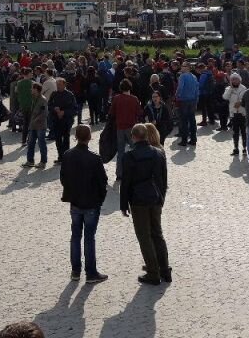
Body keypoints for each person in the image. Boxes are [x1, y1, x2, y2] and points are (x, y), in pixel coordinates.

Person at [119, 124, 170, 285]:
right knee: (157, 234)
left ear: (133, 137)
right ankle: (165, 270)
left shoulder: (129, 156)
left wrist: (123, 204)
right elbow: (163, 178)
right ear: (146, 136)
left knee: (144, 236)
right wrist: (162, 197)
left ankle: (153, 273)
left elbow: (125, 182)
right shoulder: (158, 153)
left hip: (138, 201)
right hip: (155, 198)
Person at [59, 124, 109, 284]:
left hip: (75, 202)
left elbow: (63, 178)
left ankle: (75, 271)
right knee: (89, 238)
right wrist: (100, 199)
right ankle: (91, 272)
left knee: (75, 236)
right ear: (89, 137)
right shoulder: (94, 158)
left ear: (76, 137)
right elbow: (103, 182)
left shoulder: (67, 155)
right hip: (91, 203)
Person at [108, 79, 142, 178]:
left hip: (120, 128)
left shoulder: (116, 98)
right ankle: (137, 171)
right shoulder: (134, 99)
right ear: (130, 87)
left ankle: (119, 173)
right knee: (136, 149)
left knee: (120, 152)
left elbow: (111, 113)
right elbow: (139, 113)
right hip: (132, 128)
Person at [48, 78, 77, 164]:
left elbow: (74, 109)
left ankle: (66, 157)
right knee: (58, 139)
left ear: (64, 85)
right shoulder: (54, 94)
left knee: (66, 139)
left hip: (67, 121)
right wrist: (54, 109)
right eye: (57, 85)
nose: (58, 86)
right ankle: (60, 157)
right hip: (56, 120)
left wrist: (64, 112)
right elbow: (49, 105)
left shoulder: (70, 95)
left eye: (60, 85)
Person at [23, 83, 49, 168]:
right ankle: (30, 161)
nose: (31, 90)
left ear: (36, 89)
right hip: (33, 125)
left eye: (32, 88)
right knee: (30, 143)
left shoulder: (43, 100)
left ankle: (43, 162)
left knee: (41, 144)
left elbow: (45, 113)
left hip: (40, 126)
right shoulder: (34, 98)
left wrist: (36, 119)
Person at [223, 74, 248, 157]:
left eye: (236, 79)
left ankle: (245, 148)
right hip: (233, 113)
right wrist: (230, 88)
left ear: (239, 80)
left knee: (244, 131)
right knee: (235, 132)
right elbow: (225, 97)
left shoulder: (244, 88)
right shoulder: (228, 88)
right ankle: (236, 148)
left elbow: (246, 99)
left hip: (242, 113)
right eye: (232, 79)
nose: (234, 81)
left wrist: (240, 102)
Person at [174, 63, 199, 147]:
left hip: (184, 100)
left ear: (188, 67)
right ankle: (193, 139)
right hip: (192, 101)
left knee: (184, 121)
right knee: (192, 120)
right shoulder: (194, 77)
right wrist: (196, 101)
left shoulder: (182, 76)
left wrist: (177, 95)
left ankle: (184, 140)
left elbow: (180, 87)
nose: (181, 67)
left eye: (183, 66)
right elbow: (197, 90)